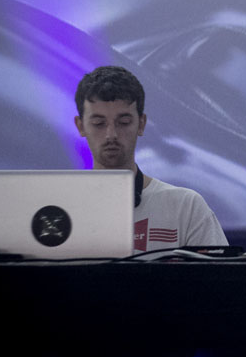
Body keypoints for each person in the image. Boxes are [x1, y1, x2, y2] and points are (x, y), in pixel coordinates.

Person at [74, 65, 228, 252]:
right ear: (80, 126)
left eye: (123, 122)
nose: (111, 134)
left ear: (142, 124)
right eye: (99, 123)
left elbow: (220, 271)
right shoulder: (61, 207)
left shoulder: (186, 207)